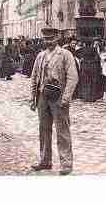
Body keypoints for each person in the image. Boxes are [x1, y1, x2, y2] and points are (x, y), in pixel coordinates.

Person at [30, 28, 79, 176]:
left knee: (62, 131)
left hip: (58, 97)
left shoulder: (65, 54)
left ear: (57, 38)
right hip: (42, 97)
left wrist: (66, 98)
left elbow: (72, 77)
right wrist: (33, 97)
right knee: (44, 130)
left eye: (51, 39)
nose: (48, 42)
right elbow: (34, 77)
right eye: (45, 39)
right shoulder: (40, 56)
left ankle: (66, 164)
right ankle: (45, 160)